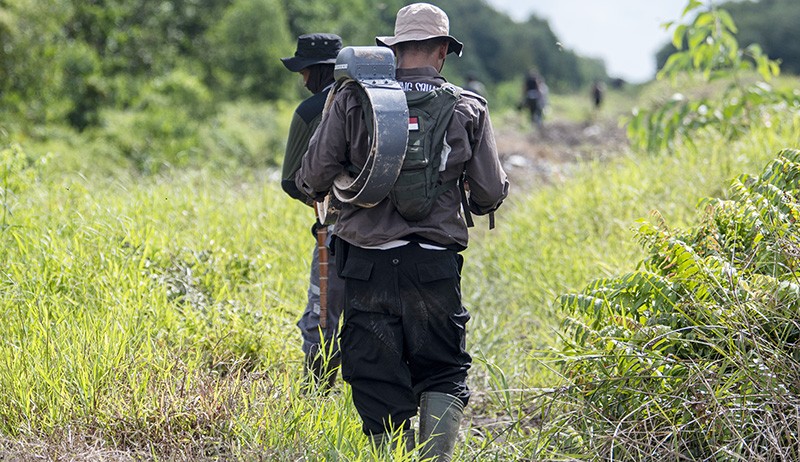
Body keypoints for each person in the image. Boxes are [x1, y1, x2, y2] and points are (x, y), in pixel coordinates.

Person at [296, 3, 509, 460]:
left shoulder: (353, 97)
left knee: (375, 373)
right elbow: (489, 193)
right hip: (433, 264)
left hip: (366, 263)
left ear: (395, 49)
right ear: (441, 52)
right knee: (442, 369)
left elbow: (312, 176)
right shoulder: (468, 107)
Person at [279, 33, 346, 391]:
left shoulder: (310, 111)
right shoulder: (381, 100)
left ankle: (317, 398)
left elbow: (291, 182)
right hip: (391, 230)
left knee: (322, 319)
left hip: (335, 233)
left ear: (319, 71)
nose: (302, 80)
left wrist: (324, 201)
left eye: (303, 70)